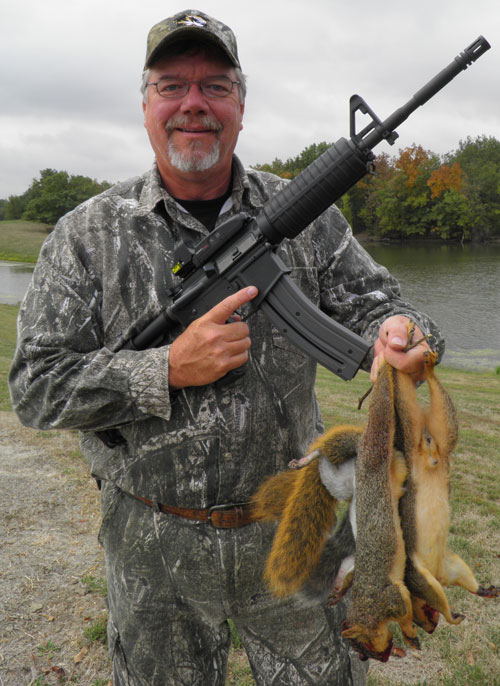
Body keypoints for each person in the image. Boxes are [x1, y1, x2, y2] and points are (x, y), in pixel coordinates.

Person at [9, 10, 444, 686]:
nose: (193, 105)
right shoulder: (85, 235)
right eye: (170, 86)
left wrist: (404, 336)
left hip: (298, 535)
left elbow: (388, 307)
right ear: (145, 102)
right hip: (152, 546)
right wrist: (165, 369)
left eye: (215, 86)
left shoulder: (307, 216)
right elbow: (35, 388)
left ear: (240, 103)